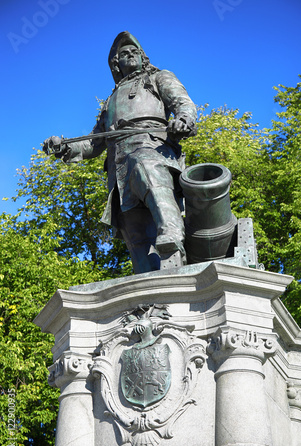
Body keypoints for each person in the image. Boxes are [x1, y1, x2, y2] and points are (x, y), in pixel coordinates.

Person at [43, 32, 197, 273]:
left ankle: (172, 234)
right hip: (118, 166)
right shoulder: (110, 101)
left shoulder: (157, 77)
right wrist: (65, 148)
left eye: (135, 52)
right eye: (124, 54)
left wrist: (184, 119)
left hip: (151, 146)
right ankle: (149, 287)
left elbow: (182, 102)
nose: (130, 55)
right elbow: (95, 143)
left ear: (143, 58)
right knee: (133, 231)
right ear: (117, 64)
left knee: (145, 168)